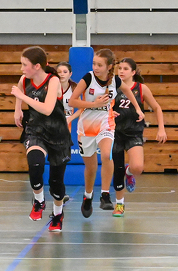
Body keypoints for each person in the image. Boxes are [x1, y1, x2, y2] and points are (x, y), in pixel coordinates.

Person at [69, 49, 144, 218]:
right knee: (90, 167)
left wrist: (138, 108)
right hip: (87, 126)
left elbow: (128, 91)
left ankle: (105, 195)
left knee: (106, 154)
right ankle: (88, 196)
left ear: (109, 66)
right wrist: (94, 104)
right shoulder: (88, 78)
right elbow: (73, 101)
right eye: (94, 64)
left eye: (99, 65)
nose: (95, 67)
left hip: (106, 123)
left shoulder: (115, 81)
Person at [12, 47, 72, 231]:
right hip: (35, 130)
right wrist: (17, 109)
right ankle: (39, 201)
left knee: (56, 184)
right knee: (35, 164)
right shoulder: (24, 80)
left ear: (37, 66)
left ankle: (58, 214)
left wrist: (22, 97)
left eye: (25, 65)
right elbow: (20, 91)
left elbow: (47, 109)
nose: (22, 68)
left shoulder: (53, 81)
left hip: (57, 133)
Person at [111, 58, 166, 216]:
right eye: (119, 68)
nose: (121, 71)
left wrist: (161, 129)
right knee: (117, 169)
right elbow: (104, 106)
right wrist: (109, 111)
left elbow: (157, 107)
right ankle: (119, 204)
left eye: (125, 69)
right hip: (115, 133)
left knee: (137, 167)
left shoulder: (141, 88)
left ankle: (129, 172)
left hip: (134, 133)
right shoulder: (113, 87)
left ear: (133, 72)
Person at [56, 61, 82, 130]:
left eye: (65, 72)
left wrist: (70, 119)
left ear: (70, 74)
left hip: (66, 127)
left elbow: (81, 109)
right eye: (59, 72)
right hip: (52, 124)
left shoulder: (73, 89)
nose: (62, 74)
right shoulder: (51, 88)